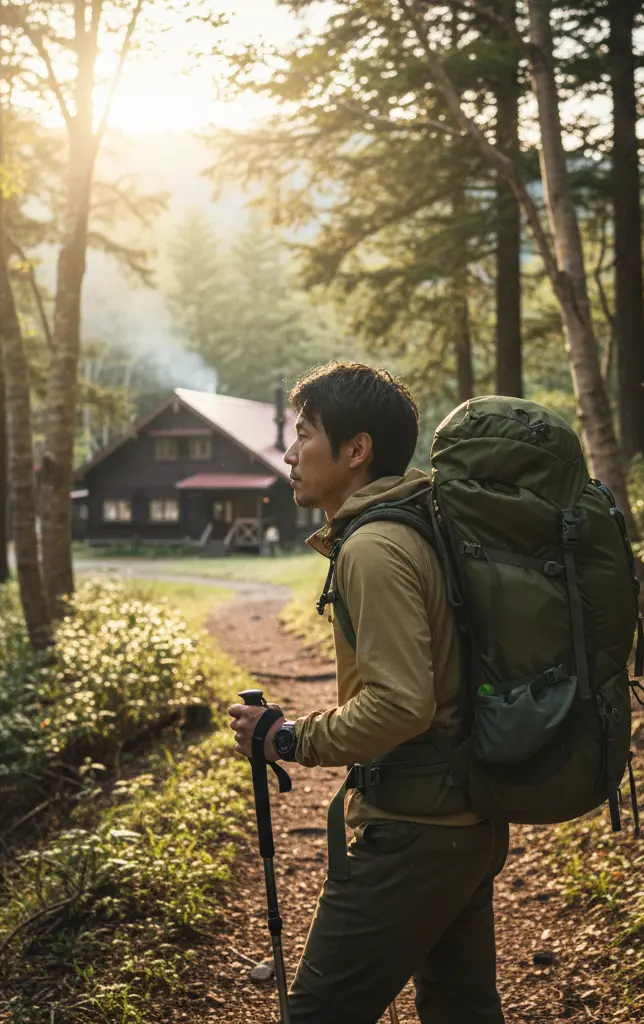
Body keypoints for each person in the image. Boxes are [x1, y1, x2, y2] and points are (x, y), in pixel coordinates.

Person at [229, 362, 507, 1024]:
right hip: (463, 820)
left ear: (356, 451)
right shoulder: (415, 524)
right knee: (460, 1009)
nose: (290, 453)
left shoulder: (374, 547)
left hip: (414, 831)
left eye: (304, 435)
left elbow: (402, 704)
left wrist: (288, 737)